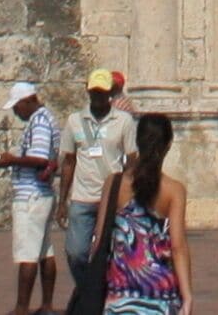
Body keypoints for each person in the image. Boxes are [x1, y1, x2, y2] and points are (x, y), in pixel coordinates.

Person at [89, 114, 193, 315]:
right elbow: (178, 247)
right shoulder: (174, 190)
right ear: (169, 145)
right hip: (160, 294)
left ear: (137, 142)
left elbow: (99, 238)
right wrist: (187, 296)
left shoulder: (114, 183)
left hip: (120, 291)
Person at [0, 79, 64, 315]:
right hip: (40, 193)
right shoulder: (45, 118)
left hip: (31, 194)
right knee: (44, 251)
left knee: (27, 253)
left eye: (17, 106)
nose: (15, 111)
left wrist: (12, 160)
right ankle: (47, 304)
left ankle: (22, 308)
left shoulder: (39, 121)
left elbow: (40, 158)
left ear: (28, 101)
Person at [60, 70, 137, 289]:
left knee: (112, 252)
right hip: (82, 197)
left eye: (102, 92)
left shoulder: (123, 121)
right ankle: (88, 291)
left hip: (112, 197)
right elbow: (68, 161)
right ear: (88, 91)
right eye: (94, 92)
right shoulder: (75, 121)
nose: (97, 96)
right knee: (76, 253)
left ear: (110, 93)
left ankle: (103, 292)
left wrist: (127, 193)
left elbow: (132, 159)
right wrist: (62, 201)